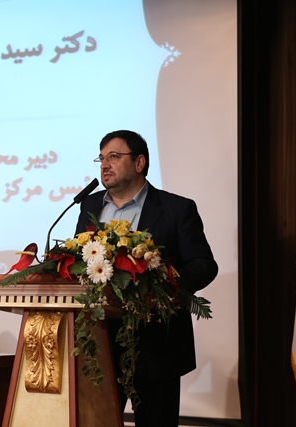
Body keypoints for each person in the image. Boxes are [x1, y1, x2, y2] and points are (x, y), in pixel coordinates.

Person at [75, 130, 218, 427]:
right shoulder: (90, 205)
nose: (105, 165)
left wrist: (166, 283)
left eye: (114, 156)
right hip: (100, 344)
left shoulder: (177, 209)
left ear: (139, 163)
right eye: (101, 158)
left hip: (156, 347)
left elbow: (204, 264)